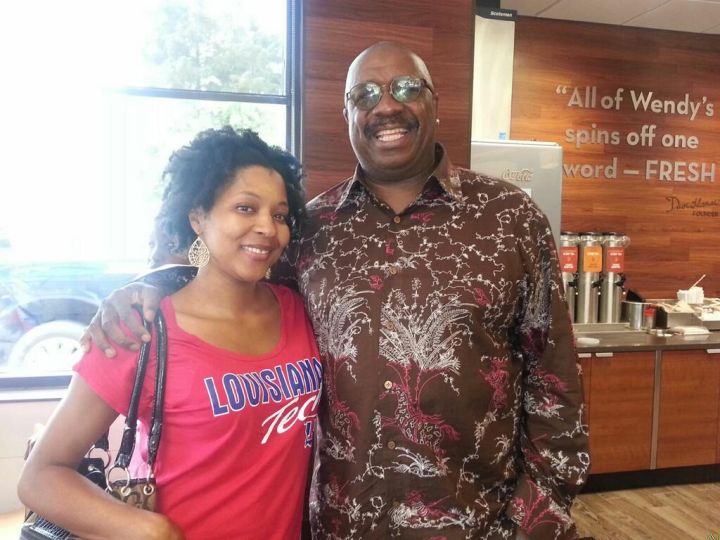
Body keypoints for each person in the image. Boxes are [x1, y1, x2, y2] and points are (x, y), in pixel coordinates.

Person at [83, 42, 590, 539]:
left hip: (477, 524)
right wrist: (147, 287)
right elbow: (233, 279)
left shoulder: (509, 219)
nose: (385, 105)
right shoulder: (310, 227)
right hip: (340, 525)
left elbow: (555, 381)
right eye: (364, 94)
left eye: (406, 88)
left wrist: (531, 523)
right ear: (347, 112)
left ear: (435, 101)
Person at [18, 127, 321, 540]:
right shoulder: (139, 330)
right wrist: (149, 529)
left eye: (280, 215)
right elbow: (39, 476)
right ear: (198, 217)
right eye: (246, 208)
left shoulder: (298, 309)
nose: (268, 227)